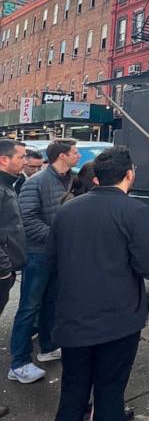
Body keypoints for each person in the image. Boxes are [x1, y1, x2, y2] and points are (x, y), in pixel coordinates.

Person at [45, 145, 149, 421]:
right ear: (130, 174)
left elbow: (52, 263)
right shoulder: (133, 210)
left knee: (71, 399)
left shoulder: (66, 211)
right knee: (109, 396)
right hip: (116, 322)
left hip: (73, 322)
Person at [8, 138, 80, 383]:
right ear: (62, 156)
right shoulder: (36, 183)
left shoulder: (73, 179)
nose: (78, 155)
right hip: (39, 254)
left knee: (52, 301)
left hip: (61, 254)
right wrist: (57, 238)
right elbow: (27, 220)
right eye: (74, 152)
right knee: (30, 306)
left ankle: (48, 347)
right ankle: (19, 361)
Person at [0, 139, 28, 421]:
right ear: (3, 160)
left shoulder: (11, 185)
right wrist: (4, 269)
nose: (25, 161)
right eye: (20, 157)